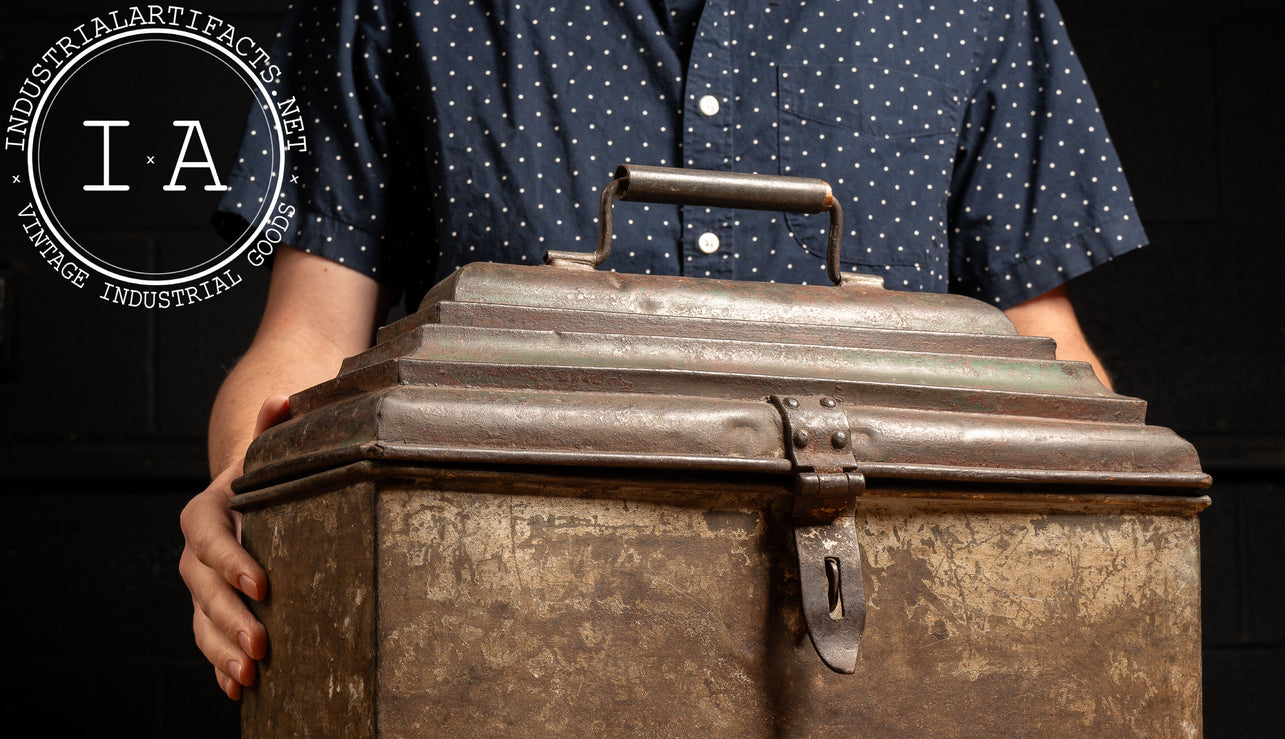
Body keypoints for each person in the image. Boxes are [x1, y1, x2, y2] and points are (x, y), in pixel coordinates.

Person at [183, 0, 1146, 699]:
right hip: (495, 673)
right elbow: (306, 338)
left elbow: (1044, 348)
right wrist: (256, 490)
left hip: (899, 684)